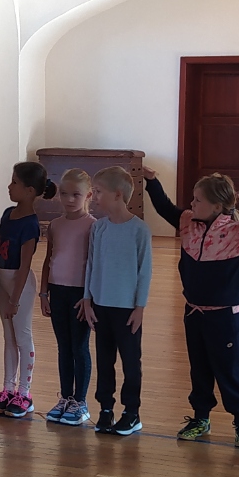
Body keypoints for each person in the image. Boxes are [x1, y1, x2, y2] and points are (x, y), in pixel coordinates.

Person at [144, 169, 239, 449]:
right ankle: (201, 417)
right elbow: (165, 208)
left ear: (217, 206)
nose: (192, 204)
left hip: (225, 316)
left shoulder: (236, 233)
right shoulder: (188, 223)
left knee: (230, 369)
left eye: (198, 200)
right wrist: (151, 180)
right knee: (199, 368)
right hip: (194, 313)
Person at [81, 166, 152, 436]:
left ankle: (132, 412)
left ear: (118, 194)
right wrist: (87, 299)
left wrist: (139, 307)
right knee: (105, 361)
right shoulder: (99, 228)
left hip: (127, 310)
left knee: (131, 363)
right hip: (101, 307)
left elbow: (144, 271)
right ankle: (106, 409)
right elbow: (91, 265)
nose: (94, 197)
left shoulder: (139, 230)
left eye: (99, 191)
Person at [0, 162, 53, 418]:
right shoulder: (7, 214)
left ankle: (24, 393)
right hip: (4, 284)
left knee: (22, 338)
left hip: (20, 286)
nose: (9, 186)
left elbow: (25, 264)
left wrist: (15, 299)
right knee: (8, 338)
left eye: (14, 182)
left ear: (29, 191)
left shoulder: (31, 224)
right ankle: (8, 389)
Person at [39, 168, 95, 427]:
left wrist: (89, 297)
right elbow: (48, 260)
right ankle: (65, 397)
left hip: (80, 294)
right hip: (57, 291)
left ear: (88, 195)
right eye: (64, 194)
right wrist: (44, 293)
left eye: (76, 194)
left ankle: (80, 402)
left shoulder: (93, 226)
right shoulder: (55, 225)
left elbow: (95, 265)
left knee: (79, 347)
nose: (69, 199)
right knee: (64, 347)